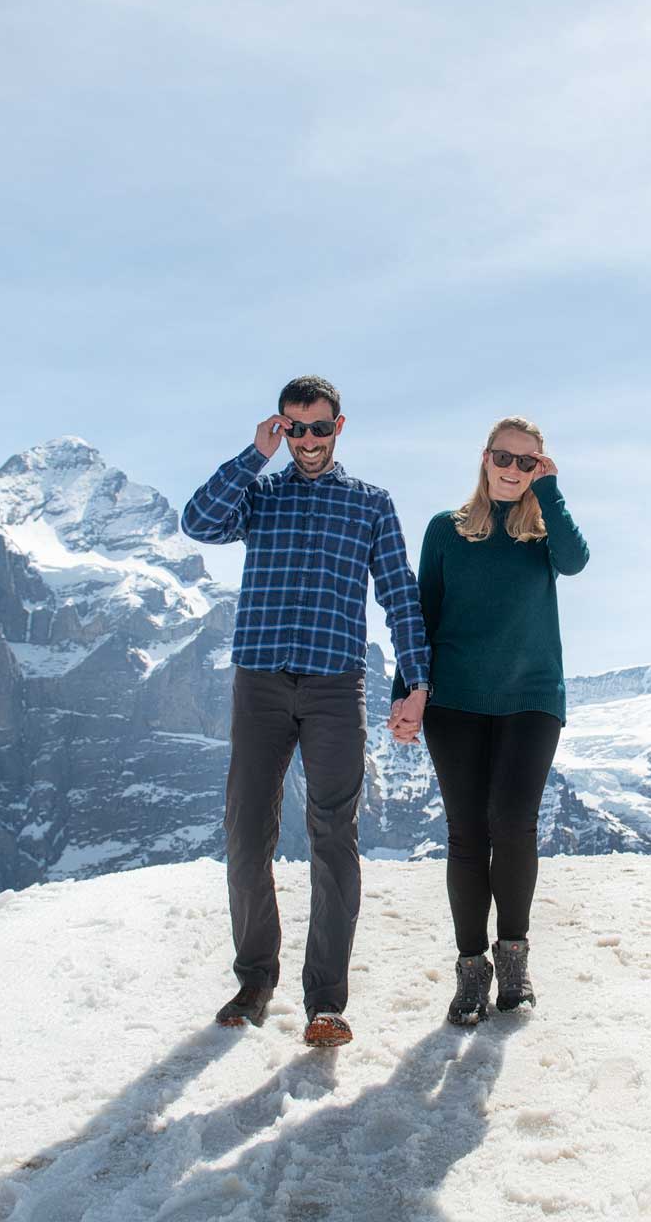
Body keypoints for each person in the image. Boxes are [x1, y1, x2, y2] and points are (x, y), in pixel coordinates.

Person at [181, 376, 431, 1048]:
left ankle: (326, 1003)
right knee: (245, 834)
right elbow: (197, 522)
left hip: (333, 688)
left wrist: (418, 681)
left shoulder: (370, 505)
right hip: (259, 683)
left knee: (332, 837)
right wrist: (250, 456)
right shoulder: (258, 497)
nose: (309, 440)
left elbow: (400, 595)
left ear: (339, 427)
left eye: (319, 428)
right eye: (295, 428)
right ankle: (255, 980)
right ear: (282, 430)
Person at [389, 416, 589, 1026]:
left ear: (539, 468)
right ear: (484, 458)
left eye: (527, 462)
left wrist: (550, 493)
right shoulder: (446, 531)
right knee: (468, 833)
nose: (512, 469)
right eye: (504, 458)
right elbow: (421, 612)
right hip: (456, 701)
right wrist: (409, 693)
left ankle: (515, 959)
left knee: (514, 824)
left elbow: (577, 562)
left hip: (532, 698)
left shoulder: (543, 534)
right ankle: (472, 969)